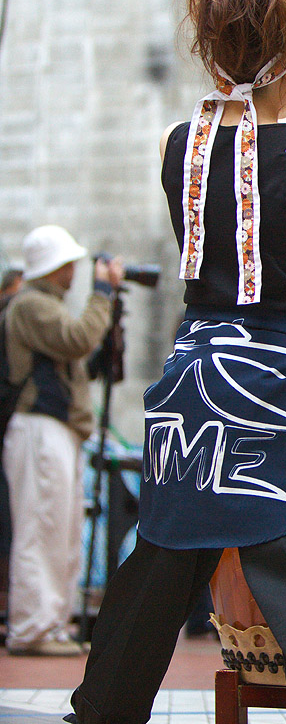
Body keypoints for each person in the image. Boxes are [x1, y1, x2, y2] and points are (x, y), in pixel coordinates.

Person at [69, 0, 286, 724]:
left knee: (155, 572)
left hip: (192, 391)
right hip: (278, 392)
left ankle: (100, 714)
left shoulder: (174, 144)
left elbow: (214, 253)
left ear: (211, 50)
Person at [2, 226, 122, 656]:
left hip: (55, 429)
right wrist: (103, 296)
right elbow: (77, 339)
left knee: (62, 530)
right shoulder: (32, 306)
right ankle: (32, 628)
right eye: (68, 264)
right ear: (54, 269)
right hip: (39, 427)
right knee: (41, 528)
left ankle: (51, 623)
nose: (75, 271)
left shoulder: (41, 305)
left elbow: (78, 361)